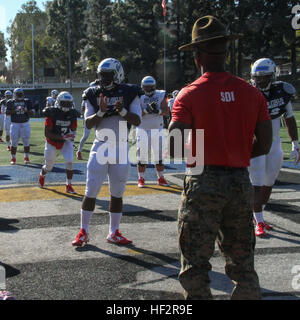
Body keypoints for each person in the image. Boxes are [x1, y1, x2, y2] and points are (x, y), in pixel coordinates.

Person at [168, 15, 273, 300]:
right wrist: (234, 151)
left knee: (195, 267)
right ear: (225, 50)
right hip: (240, 181)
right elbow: (264, 144)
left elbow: (176, 144)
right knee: (243, 265)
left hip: (203, 182)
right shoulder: (252, 93)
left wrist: (203, 150)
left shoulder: (189, 94)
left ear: (198, 55)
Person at [72, 57, 142, 247]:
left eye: (108, 75)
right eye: (101, 75)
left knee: (117, 192)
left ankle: (113, 232)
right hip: (100, 145)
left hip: (120, 146)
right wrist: (101, 112)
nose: (103, 79)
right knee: (91, 189)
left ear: (117, 74)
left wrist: (123, 112)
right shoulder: (93, 92)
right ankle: (83, 231)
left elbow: (137, 121)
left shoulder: (130, 92)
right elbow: (88, 123)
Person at [248, 58, 300, 237]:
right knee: (256, 180)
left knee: (269, 180)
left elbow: (289, 118)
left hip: (275, 143)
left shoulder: (281, 92)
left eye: (265, 77)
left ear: (273, 76)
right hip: (254, 143)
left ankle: (257, 215)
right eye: (258, 77)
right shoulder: (248, 93)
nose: (261, 81)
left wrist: (295, 143)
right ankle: (259, 220)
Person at [38, 91, 80, 194]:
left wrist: (71, 137)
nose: (66, 106)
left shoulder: (72, 114)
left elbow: (73, 129)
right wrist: (63, 137)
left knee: (69, 162)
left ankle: (68, 185)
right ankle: (42, 174)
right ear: (58, 102)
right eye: (64, 103)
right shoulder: (52, 113)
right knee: (49, 167)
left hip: (66, 141)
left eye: (68, 103)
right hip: (52, 141)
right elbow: (47, 133)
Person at [136, 76, 170, 188]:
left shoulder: (160, 94)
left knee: (159, 155)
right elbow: (136, 114)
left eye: (150, 87)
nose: (148, 89)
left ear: (154, 86)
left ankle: (160, 177)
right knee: (142, 156)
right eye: (146, 87)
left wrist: (158, 110)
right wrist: (146, 110)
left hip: (157, 129)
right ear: (142, 87)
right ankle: (141, 178)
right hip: (142, 129)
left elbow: (166, 111)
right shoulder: (138, 96)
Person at [6, 88, 34, 165]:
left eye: (20, 94)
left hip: (25, 123)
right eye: (18, 94)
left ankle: (26, 157)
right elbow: (7, 112)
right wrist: (15, 110)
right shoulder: (10, 102)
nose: (19, 95)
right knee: (14, 142)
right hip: (15, 124)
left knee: (26, 141)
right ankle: (13, 158)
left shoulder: (27, 101)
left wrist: (26, 111)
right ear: (15, 94)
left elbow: (32, 112)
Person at [76, 81, 99, 160]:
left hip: (96, 114)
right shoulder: (88, 94)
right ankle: (79, 151)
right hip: (89, 114)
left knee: (98, 135)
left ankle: (97, 152)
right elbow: (83, 108)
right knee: (86, 135)